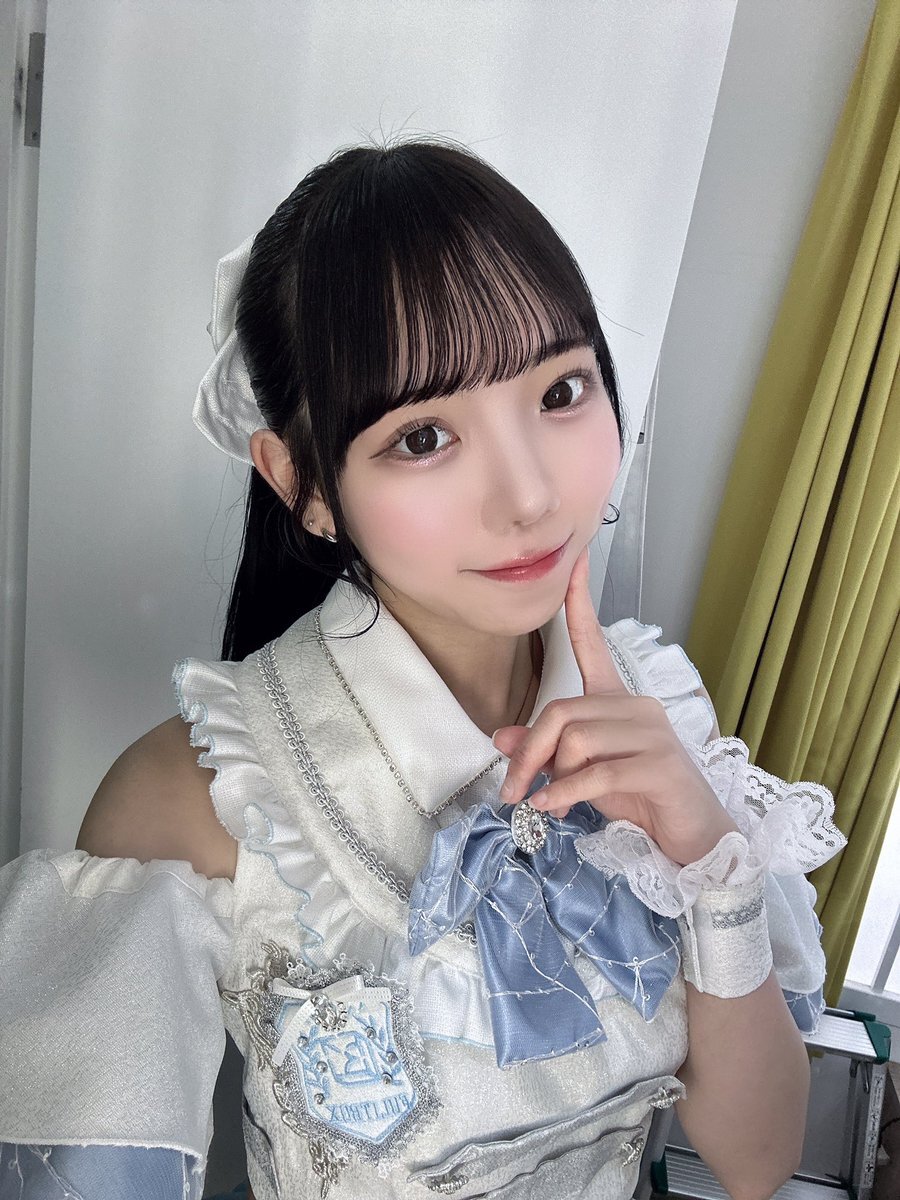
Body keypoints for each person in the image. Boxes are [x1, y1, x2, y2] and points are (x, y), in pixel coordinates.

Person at [0, 137, 847, 1200]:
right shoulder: (191, 801)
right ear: (302, 483)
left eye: (561, 390)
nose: (531, 496)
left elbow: (757, 1162)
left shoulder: (654, 705)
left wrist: (709, 861)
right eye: (423, 438)